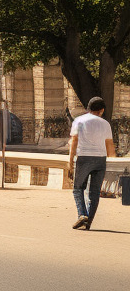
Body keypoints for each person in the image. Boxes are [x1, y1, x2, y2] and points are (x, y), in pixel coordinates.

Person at [67, 96, 117, 230]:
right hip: (100, 159)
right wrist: (114, 160)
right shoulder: (105, 124)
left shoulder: (79, 121)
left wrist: (70, 161)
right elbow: (109, 145)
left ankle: (82, 214)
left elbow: (74, 142)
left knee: (78, 188)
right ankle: (88, 222)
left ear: (88, 108)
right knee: (94, 192)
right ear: (101, 110)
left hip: (84, 158)